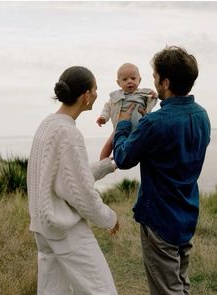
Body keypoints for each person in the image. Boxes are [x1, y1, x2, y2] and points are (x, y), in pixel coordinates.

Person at [113, 46, 211, 294]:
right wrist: (149, 121)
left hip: (159, 218)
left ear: (165, 82)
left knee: (167, 290)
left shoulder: (154, 123)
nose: (153, 81)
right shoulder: (202, 116)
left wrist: (123, 124)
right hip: (186, 213)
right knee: (180, 283)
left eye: (155, 77)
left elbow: (123, 158)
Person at [27, 66, 119, 295]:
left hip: (43, 227)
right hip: (64, 230)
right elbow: (80, 192)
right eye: (95, 89)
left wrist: (108, 165)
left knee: (53, 292)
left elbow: (65, 175)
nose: (97, 94)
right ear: (86, 95)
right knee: (103, 291)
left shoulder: (48, 124)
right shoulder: (69, 133)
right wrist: (108, 218)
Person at [96, 63, 157, 160]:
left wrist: (153, 97)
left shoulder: (143, 94)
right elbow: (108, 107)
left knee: (143, 144)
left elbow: (151, 104)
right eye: (125, 79)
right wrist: (103, 117)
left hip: (138, 127)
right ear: (118, 83)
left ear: (139, 80)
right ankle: (102, 160)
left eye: (133, 78)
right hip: (120, 126)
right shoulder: (116, 96)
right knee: (111, 142)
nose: (129, 81)